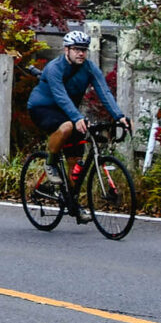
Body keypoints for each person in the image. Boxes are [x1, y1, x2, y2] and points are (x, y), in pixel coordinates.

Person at [26, 30, 131, 219]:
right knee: (66, 126)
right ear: (66, 50)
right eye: (76, 49)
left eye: (83, 50)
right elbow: (61, 96)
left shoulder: (89, 68)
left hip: (68, 112)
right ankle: (50, 163)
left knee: (76, 164)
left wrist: (119, 116)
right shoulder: (54, 68)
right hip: (43, 107)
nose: (81, 53)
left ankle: (73, 204)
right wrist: (77, 118)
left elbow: (104, 92)